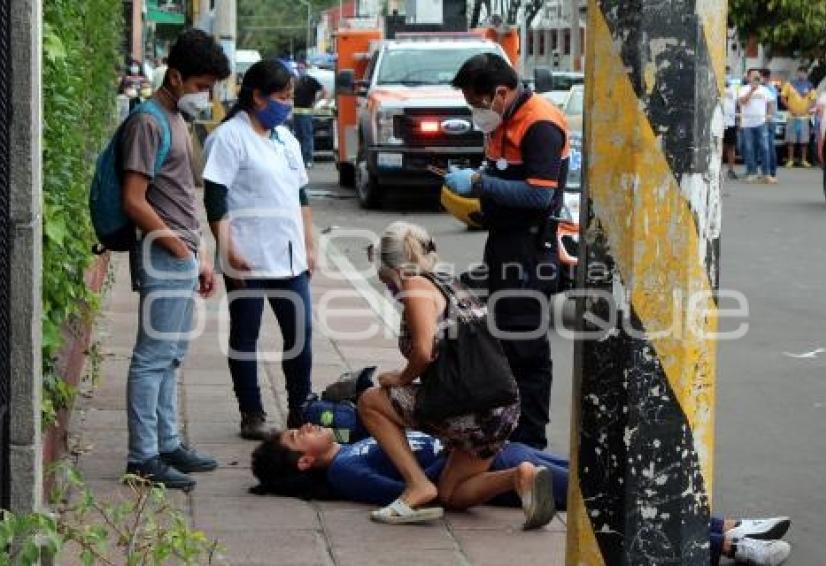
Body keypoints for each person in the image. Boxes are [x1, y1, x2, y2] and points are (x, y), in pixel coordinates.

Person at [251, 426, 793, 566]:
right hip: (500, 467)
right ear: (304, 460)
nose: (305, 426)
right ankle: (728, 543)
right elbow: (418, 493)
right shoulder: (346, 472)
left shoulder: (347, 445)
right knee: (608, 500)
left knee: (609, 483)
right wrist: (451, 453)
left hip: (502, 450)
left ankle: (729, 526)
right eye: (297, 436)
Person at [355, 222, 551, 527]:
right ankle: (520, 476)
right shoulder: (448, 282)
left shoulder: (415, 287)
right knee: (451, 494)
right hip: (501, 406)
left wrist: (400, 378)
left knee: (370, 402)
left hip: (471, 407)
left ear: (392, 269)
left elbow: (423, 351)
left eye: (385, 279)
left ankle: (416, 486)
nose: (388, 288)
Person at [121, 29, 231, 490]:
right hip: (163, 255)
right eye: (202, 85)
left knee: (171, 356)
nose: (205, 95)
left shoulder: (175, 119)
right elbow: (134, 198)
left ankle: (167, 443)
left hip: (181, 255)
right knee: (152, 358)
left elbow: (184, 194)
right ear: (177, 74)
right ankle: (142, 456)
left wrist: (200, 252)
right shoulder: (148, 122)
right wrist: (177, 246)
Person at [444, 53, 568, 449]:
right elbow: (503, 175)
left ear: (500, 93)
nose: (475, 110)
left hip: (530, 248)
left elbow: (538, 193)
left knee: (526, 348)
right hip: (506, 244)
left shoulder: (539, 123)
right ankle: (509, 431)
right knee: (505, 342)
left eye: (476, 102)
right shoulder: (505, 120)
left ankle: (530, 443)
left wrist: (480, 184)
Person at [202, 60, 316, 441]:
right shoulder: (229, 137)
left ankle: (300, 407)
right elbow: (215, 197)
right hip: (246, 254)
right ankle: (251, 412)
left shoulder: (287, 139)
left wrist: (310, 244)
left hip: (289, 255)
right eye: (282, 97)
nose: (287, 104)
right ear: (258, 96)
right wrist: (227, 246)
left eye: (290, 97)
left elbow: (301, 194)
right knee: (246, 334)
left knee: (300, 333)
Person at [738, 69, 774, 184]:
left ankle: (766, 173)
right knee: (749, 148)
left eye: (758, 77)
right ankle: (752, 172)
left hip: (761, 122)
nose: (756, 79)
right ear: (748, 78)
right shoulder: (743, 89)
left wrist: (769, 115)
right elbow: (742, 102)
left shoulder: (765, 90)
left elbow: (770, 103)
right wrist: (752, 90)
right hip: (747, 124)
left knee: (765, 147)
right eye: (754, 77)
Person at [292, 62, 327, 168]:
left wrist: (315, 102)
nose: (300, 69)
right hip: (296, 113)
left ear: (306, 69)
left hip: (306, 113)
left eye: (302, 68)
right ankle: (300, 159)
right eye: (298, 68)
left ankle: (308, 159)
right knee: (298, 138)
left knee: (307, 137)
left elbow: (324, 91)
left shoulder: (311, 81)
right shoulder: (296, 81)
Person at [781, 66, 817, 167]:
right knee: (791, 140)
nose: (802, 74)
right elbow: (783, 98)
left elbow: (813, 100)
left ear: (806, 74)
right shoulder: (790, 84)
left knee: (804, 141)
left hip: (804, 117)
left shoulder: (810, 85)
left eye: (804, 73)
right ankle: (790, 160)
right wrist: (791, 109)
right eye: (800, 72)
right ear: (797, 73)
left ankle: (803, 160)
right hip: (792, 116)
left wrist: (805, 110)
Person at [761, 69, 779, 182]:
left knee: (769, 147)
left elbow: (770, 105)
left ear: (766, 77)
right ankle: (766, 172)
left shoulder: (770, 89)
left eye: (761, 77)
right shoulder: (765, 88)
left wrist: (768, 117)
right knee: (765, 147)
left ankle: (771, 172)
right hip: (765, 120)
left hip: (769, 121)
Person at [723, 74, 739, 179]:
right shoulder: (715, 87)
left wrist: (738, 121)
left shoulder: (734, 90)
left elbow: (738, 106)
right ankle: (715, 170)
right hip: (718, 123)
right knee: (718, 147)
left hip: (731, 123)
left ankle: (731, 170)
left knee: (731, 147)